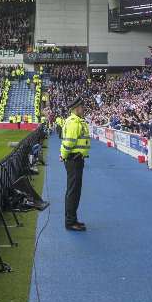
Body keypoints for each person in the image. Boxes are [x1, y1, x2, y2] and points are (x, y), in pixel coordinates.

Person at [60, 99, 90, 231]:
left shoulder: (76, 121)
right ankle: (70, 221)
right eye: (82, 107)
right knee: (73, 191)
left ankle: (72, 219)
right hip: (74, 160)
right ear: (76, 108)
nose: (83, 109)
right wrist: (64, 155)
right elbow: (69, 143)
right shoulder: (74, 122)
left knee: (74, 191)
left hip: (75, 159)